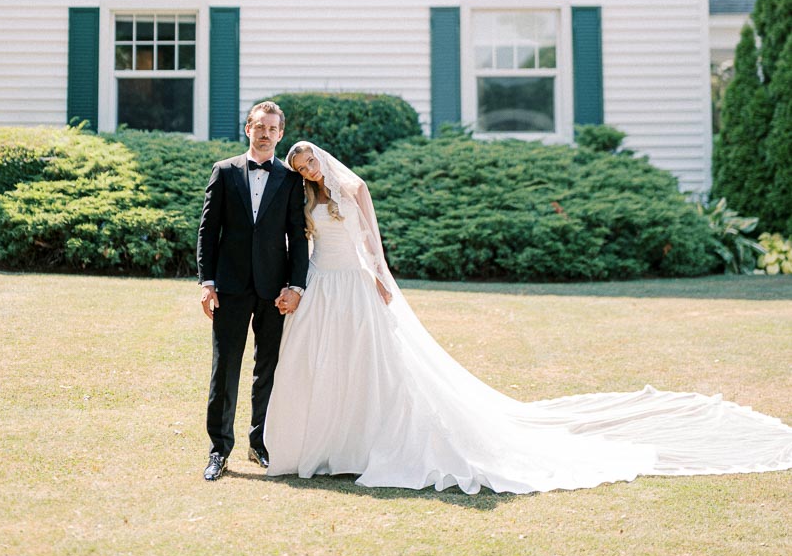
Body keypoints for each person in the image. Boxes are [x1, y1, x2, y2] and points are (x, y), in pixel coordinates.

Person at [264, 141, 792, 494]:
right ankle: (331, 446)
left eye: (309, 162)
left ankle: (368, 443)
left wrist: (382, 277)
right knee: (328, 366)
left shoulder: (355, 190)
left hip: (357, 283)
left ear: (322, 158)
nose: (307, 170)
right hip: (323, 286)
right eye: (299, 166)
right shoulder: (304, 197)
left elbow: (372, 242)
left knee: (376, 367)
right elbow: (300, 244)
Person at [196, 101, 309, 481]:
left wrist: (295, 286)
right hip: (229, 286)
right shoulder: (224, 172)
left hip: (273, 289)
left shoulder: (291, 180)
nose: (265, 134)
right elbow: (208, 231)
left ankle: (259, 442)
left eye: (272, 129)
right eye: (259, 127)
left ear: (281, 134)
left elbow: (299, 236)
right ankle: (218, 451)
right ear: (248, 129)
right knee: (224, 369)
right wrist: (206, 283)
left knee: (269, 370)